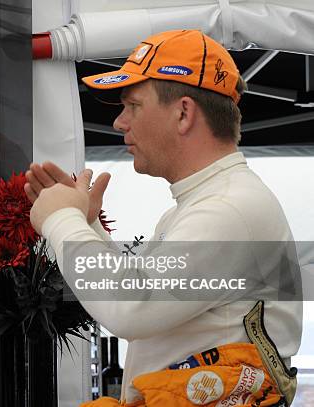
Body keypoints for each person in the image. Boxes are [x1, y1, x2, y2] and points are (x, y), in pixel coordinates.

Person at [26, 30, 301, 406]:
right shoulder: (212, 202)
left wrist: (62, 221)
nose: (119, 123)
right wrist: (85, 225)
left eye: (132, 105)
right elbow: (145, 306)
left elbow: (131, 307)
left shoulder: (227, 208)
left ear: (183, 113)